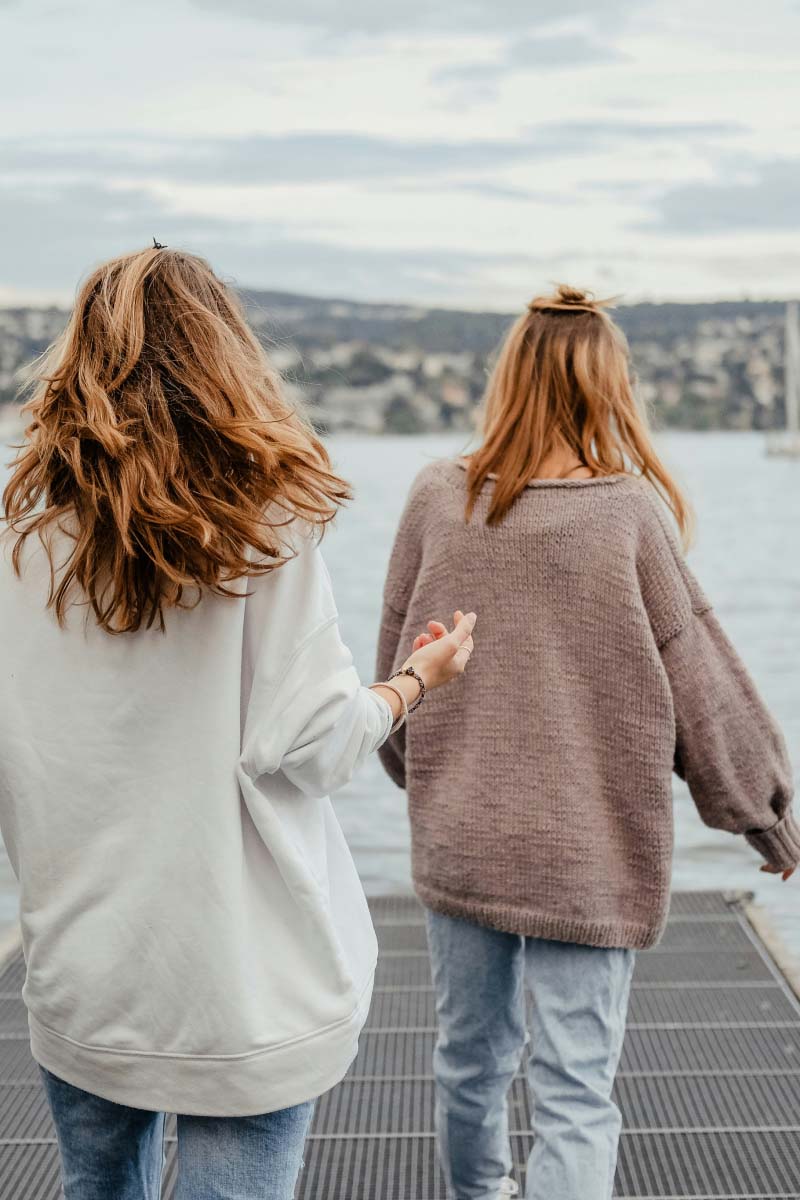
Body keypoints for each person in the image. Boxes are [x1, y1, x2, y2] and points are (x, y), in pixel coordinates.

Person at [0, 244, 476, 1200]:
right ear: (225, 358)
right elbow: (313, 747)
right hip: (240, 986)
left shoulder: (20, 545)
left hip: (85, 978)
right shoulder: (267, 532)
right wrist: (413, 684)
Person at [376, 284, 798, 1200]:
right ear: (611, 386)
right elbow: (702, 684)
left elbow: (394, 664)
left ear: (510, 377)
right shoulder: (627, 513)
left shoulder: (437, 498)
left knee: (469, 1060)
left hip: (464, 833)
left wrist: (427, 779)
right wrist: (763, 815)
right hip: (589, 847)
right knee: (574, 1090)